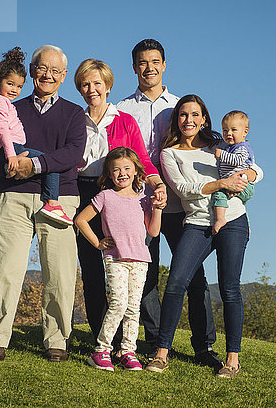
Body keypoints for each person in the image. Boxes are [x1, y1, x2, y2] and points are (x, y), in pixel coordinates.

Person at [0, 44, 86, 362]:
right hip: (15, 196)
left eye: (55, 71)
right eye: (42, 68)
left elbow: (72, 155)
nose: (48, 75)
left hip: (61, 198)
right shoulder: (9, 106)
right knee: (6, 270)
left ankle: (56, 341)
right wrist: (11, 166)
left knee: (60, 274)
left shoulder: (73, 113)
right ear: (32, 71)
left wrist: (35, 165)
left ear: (64, 76)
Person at [117, 39, 221, 368]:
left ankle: (203, 346)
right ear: (134, 67)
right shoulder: (121, 109)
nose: (149, 68)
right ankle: (154, 340)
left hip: (182, 207)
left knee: (193, 277)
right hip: (137, 205)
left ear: (165, 65)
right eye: (143, 62)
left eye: (155, 61)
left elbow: (207, 153)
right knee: (143, 276)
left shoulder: (179, 108)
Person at [146, 94, 262, 378]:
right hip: (197, 222)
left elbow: (256, 168)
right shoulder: (169, 153)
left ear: (204, 119)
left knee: (229, 287)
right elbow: (184, 189)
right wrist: (222, 182)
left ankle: (231, 359)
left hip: (233, 219)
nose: (189, 120)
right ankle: (162, 353)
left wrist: (247, 173)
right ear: (177, 120)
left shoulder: (219, 146)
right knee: (175, 283)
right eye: (183, 115)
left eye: (195, 115)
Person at [73, 59, 167, 345]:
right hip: (82, 194)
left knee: (131, 264)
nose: (92, 89)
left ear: (108, 86)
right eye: (86, 84)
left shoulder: (124, 121)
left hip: (118, 198)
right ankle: (103, 339)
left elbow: (142, 160)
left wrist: (158, 183)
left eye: (97, 83)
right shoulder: (75, 122)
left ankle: (146, 340)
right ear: (79, 88)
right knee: (91, 269)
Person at [75, 147, 163, 371]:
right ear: (109, 174)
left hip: (140, 260)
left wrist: (158, 209)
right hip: (115, 259)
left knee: (133, 308)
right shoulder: (105, 196)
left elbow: (153, 232)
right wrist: (97, 243)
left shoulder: (144, 200)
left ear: (136, 172)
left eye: (126, 168)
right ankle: (101, 351)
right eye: (116, 170)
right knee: (118, 304)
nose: (122, 173)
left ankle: (128, 352)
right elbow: (81, 220)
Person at [0, 47, 71, 240]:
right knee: (47, 162)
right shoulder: (2, 103)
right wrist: (11, 155)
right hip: (11, 149)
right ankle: (52, 203)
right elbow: (1, 129)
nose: (14, 90)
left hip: (1, 148)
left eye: (18, 86)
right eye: (10, 84)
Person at [212, 110, 255, 234]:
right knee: (240, 205)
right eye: (225, 130)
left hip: (243, 184)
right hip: (239, 184)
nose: (228, 133)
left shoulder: (242, 148)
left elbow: (237, 160)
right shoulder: (230, 147)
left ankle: (220, 219)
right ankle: (247, 226)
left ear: (245, 132)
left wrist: (222, 155)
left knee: (219, 194)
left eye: (233, 130)